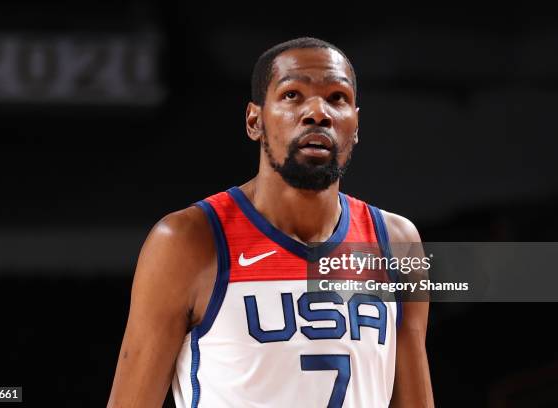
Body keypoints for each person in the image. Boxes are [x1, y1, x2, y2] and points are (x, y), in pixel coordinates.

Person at [107, 37, 434, 408]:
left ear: (356, 125)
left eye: (337, 97)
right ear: (254, 120)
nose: (317, 112)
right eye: (293, 94)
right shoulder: (187, 240)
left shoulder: (395, 241)